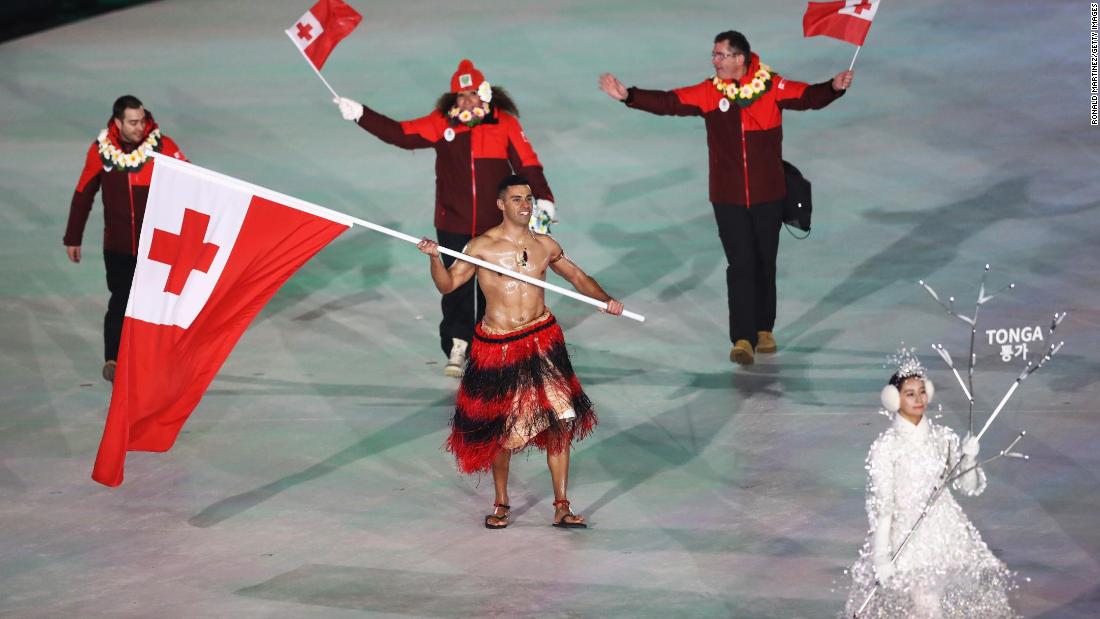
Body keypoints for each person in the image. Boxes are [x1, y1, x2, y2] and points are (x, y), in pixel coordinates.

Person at [599, 30, 852, 366]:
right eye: (714, 54)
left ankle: (765, 329)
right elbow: (670, 102)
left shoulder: (771, 87)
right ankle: (743, 338)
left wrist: (833, 88)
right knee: (741, 264)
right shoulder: (708, 93)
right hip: (727, 198)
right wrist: (629, 95)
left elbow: (807, 96)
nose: (714, 60)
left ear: (740, 59)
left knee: (764, 262)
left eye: (721, 55)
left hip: (768, 196)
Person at [416, 175, 624, 529]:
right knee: (501, 429)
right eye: (516, 199)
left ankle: (562, 504)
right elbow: (448, 284)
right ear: (501, 204)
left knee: (561, 419)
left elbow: (578, 277)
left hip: (543, 340)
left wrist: (605, 300)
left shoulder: (545, 245)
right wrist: (435, 257)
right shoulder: (480, 247)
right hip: (498, 345)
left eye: (528, 198)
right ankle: (501, 503)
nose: (525, 204)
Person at [336, 59, 557, 377]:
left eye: (471, 94)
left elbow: (528, 164)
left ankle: (494, 351)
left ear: (485, 94)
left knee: (494, 290)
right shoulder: (442, 124)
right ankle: (458, 346)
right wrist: (361, 114)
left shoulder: (505, 124)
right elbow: (401, 134)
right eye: (460, 97)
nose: (466, 101)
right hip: (452, 222)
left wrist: (544, 198)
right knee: (456, 290)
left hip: (494, 227)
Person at [842, 349, 1016, 618]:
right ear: (893, 399)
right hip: (909, 536)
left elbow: (968, 486)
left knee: (942, 603)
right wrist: (881, 555)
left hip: (946, 533)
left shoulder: (942, 437)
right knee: (927, 606)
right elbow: (883, 506)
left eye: (922, 391)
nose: (919, 398)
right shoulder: (886, 447)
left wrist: (969, 458)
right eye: (910, 393)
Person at [64, 95, 186, 382]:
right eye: (132, 122)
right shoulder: (100, 152)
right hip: (117, 247)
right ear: (117, 123)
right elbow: (83, 193)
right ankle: (114, 360)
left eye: (142, 120)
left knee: (154, 304)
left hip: (156, 246)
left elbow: (190, 181)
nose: (139, 127)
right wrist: (73, 236)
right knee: (120, 301)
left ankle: (155, 361)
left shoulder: (164, 146)